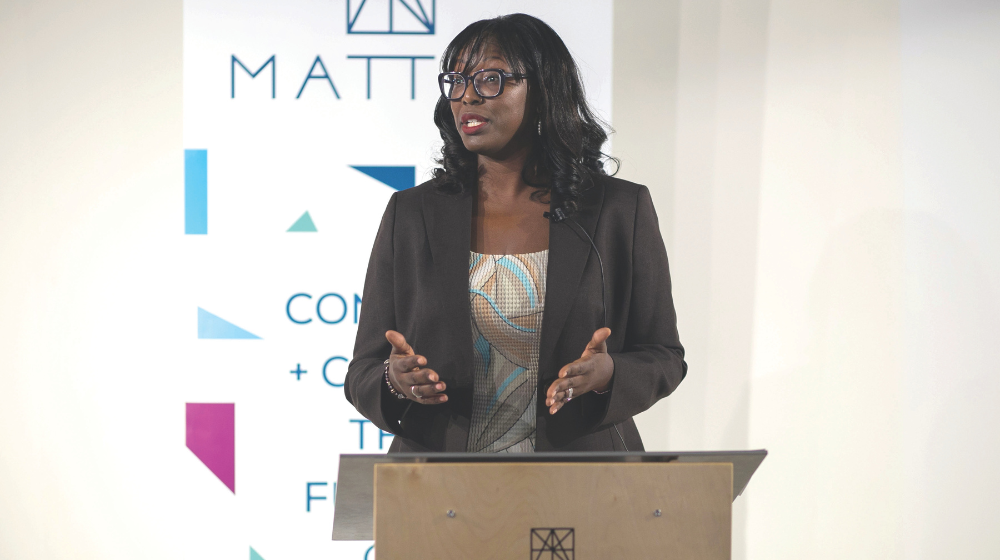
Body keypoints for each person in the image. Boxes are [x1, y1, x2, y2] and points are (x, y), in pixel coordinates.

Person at [344, 13, 686, 453]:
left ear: (543, 90)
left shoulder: (618, 210)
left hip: (584, 484)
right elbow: (364, 370)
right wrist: (395, 381)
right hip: (440, 491)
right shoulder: (411, 214)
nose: (467, 96)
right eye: (456, 80)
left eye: (490, 79)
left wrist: (608, 376)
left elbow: (663, 354)